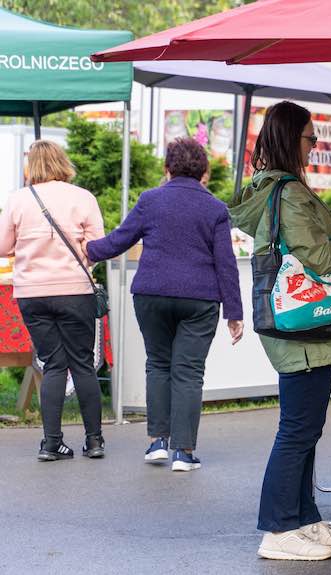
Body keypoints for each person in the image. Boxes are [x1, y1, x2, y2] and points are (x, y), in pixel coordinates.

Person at [229, 101, 331, 561]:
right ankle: (278, 529)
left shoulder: (281, 189)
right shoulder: (290, 192)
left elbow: (313, 238)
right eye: (309, 137)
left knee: (305, 427)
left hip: (301, 327)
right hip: (304, 329)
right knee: (297, 430)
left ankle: (302, 517)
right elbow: (318, 258)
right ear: (289, 138)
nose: (315, 144)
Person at [86, 137, 244, 472]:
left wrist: (88, 250)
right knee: (188, 371)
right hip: (200, 299)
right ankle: (183, 453)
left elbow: (119, 240)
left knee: (158, 364)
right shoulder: (215, 208)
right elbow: (225, 262)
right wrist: (234, 312)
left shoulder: (150, 200)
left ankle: (158, 442)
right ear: (204, 172)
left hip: (152, 293)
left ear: (167, 168)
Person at [0, 140, 106, 461]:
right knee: (82, 364)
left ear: (31, 166)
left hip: (32, 294)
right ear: (63, 162)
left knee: (54, 364)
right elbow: (96, 247)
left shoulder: (18, 200)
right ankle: (94, 441)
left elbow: (3, 246)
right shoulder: (83, 198)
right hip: (75, 291)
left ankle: (51, 444)